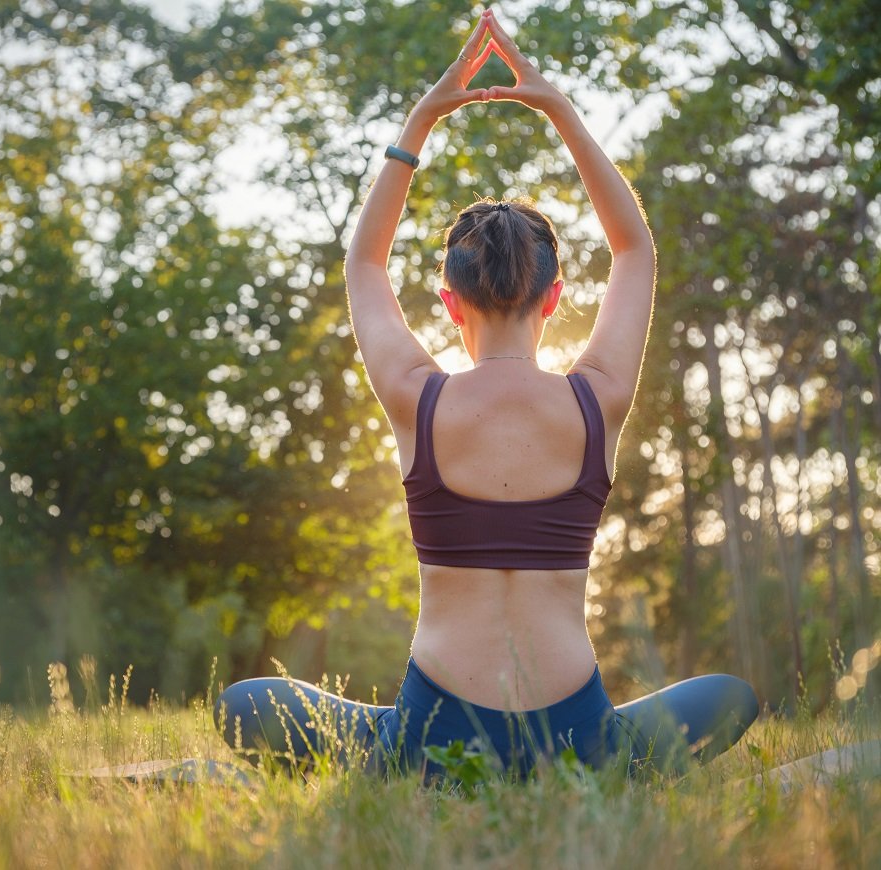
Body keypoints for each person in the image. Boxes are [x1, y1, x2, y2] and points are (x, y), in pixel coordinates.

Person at [214, 8, 758, 781]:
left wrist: (424, 117)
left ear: (448, 302)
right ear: (554, 298)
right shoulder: (597, 399)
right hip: (576, 743)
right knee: (730, 696)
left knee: (247, 704)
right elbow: (634, 248)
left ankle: (388, 757)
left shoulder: (417, 398)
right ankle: (613, 766)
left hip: (431, 739)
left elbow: (364, 265)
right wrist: (558, 108)